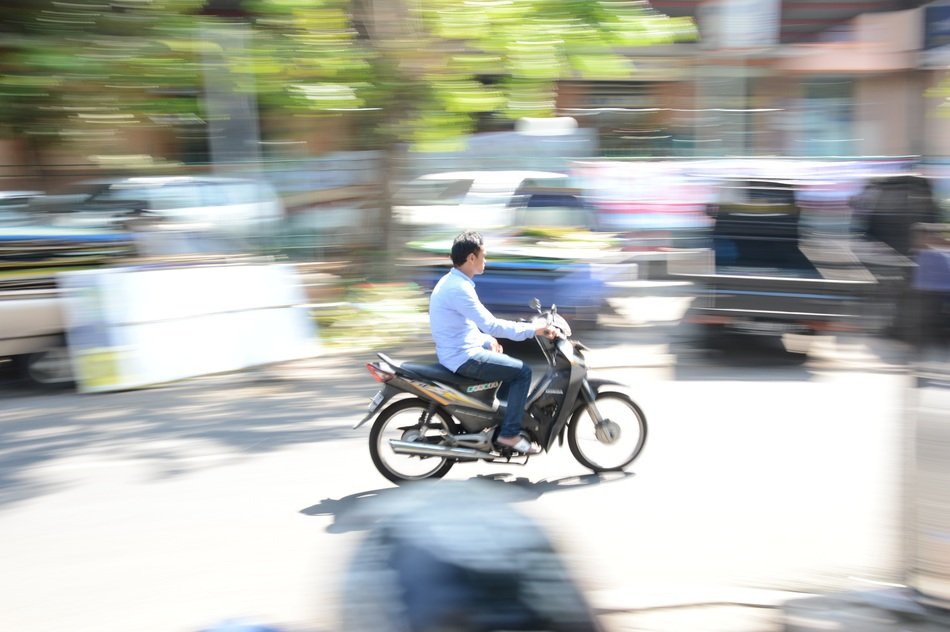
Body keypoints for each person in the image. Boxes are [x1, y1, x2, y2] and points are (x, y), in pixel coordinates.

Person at [428, 230, 556, 455]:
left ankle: (502, 423)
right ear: (471, 258)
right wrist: (534, 330)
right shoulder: (459, 289)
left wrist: (486, 341)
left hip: (457, 351)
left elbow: (462, 326)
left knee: (508, 365)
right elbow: (492, 324)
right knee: (523, 372)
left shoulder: (453, 282)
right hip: (462, 358)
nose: (485, 261)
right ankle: (509, 434)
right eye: (483, 256)